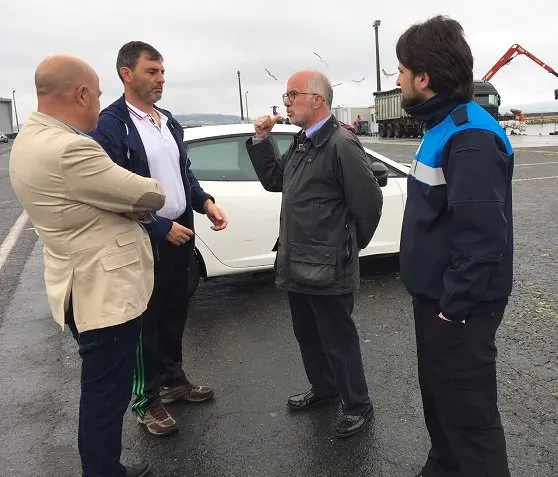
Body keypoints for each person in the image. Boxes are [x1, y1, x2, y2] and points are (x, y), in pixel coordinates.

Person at [9, 54, 166, 477]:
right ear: (81, 93)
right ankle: (103, 471)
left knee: (102, 388)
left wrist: (120, 206)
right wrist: (131, 203)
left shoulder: (29, 139)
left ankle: (105, 467)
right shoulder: (71, 148)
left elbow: (109, 200)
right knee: (105, 395)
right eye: (96, 95)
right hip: (102, 290)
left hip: (76, 281)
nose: (99, 103)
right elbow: (149, 194)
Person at [394, 16, 515, 477]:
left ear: (424, 78)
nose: (398, 78)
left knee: (471, 422)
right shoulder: (440, 125)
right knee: (440, 406)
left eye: (402, 70)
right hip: (437, 300)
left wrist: (453, 309)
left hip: (459, 309)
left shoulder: (470, 136)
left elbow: (482, 236)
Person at [91, 41, 228, 437]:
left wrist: (204, 202)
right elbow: (110, 191)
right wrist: (157, 227)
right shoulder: (111, 124)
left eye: (163, 72)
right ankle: (145, 399)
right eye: (152, 71)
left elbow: (182, 172)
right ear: (126, 74)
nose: (161, 79)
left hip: (181, 235)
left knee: (173, 314)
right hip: (143, 242)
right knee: (144, 324)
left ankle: (172, 380)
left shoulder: (167, 120)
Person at [246, 70, 383, 438]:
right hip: (296, 260)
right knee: (307, 333)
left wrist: (348, 248)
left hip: (329, 265)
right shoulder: (304, 141)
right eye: (286, 95)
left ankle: (357, 404)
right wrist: (261, 139)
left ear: (317, 100)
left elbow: (368, 203)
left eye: (292, 95)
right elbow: (277, 181)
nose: (286, 102)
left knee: (338, 339)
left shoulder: (341, 143)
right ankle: (325, 389)